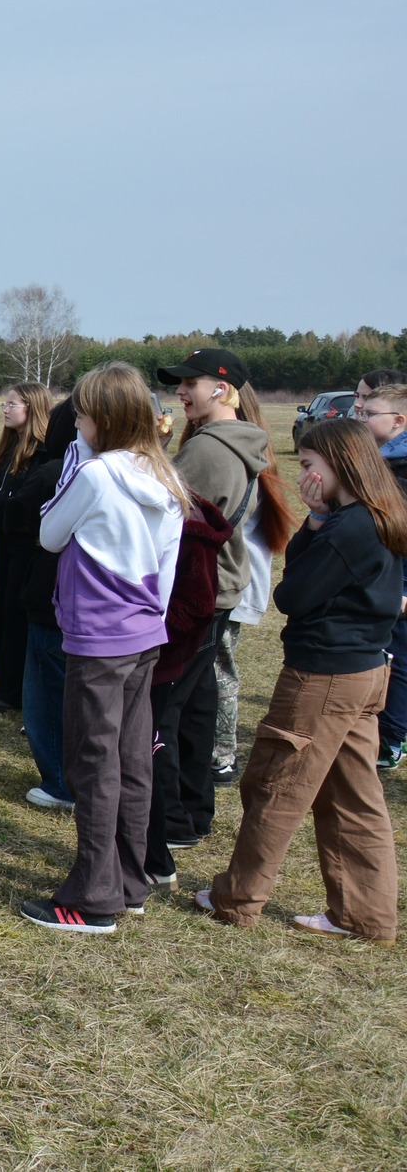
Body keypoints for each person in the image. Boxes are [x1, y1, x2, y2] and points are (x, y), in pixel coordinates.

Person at [196, 419, 407, 945]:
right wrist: (319, 519)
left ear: (343, 467)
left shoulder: (348, 528)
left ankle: (237, 898)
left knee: (275, 785)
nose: (305, 476)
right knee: (352, 796)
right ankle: (364, 915)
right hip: (364, 672)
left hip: (325, 677)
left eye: (311, 466)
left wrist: (313, 524)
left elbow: (292, 597)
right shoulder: (379, 514)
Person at [18, 364, 186, 933]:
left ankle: (93, 898)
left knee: (93, 763)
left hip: (96, 638)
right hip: (144, 633)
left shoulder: (95, 475)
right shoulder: (162, 472)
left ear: (104, 420)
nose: (77, 422)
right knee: (132, 758)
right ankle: (130, 881)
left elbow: (48, 534)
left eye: (83, 414)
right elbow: (166, 567)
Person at [155, 349, 271, 850]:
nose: (181, 392)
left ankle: (173, 822)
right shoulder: (234, 442)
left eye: (190, 384)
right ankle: (195, 812)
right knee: (198, 704)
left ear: (221, 389)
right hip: (219, 589)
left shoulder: (208, 450)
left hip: (197, 590)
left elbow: (170, 516)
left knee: (165, 707)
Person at [210, 385, 298, 785]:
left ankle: (221, 755)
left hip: (232, 583)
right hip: (233, 581)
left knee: (219, 668)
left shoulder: (239, 457)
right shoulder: (252, 451)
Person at [8, 399, 80, 810]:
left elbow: (14, 514)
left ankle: (59, 781)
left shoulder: (58, 471)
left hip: (50, 596)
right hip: (90, 608)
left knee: (48, 692)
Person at [0, 383, 54, 712]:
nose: (6, 409)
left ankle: (15, 689)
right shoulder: (9, 449)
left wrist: (9, 507)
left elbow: (31, 504)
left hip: (26, 545)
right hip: (3, 539)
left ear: (33, 408)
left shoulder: (43, 454)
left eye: (13, 404)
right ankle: (5, 682)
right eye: (5, 404)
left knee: (15, 612)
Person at [358, 382, 407, 770]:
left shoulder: (398, 467)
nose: (360, 414)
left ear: (398, 421)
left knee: (399, 659)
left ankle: (390, 740)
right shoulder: (383, 460)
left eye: (370, 412)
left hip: (401, 577)